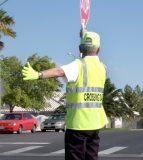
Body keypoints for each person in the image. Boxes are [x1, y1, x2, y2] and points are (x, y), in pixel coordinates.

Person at [22, 28, 108, 160]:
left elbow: (59, 71)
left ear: (81, 49)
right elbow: (88, 57)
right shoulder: (102, 67)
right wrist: (83, 37)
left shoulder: (78, 65)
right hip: (95, 124)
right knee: (91, 157)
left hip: (77, 124)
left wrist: (39, 75)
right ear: (98, 50)